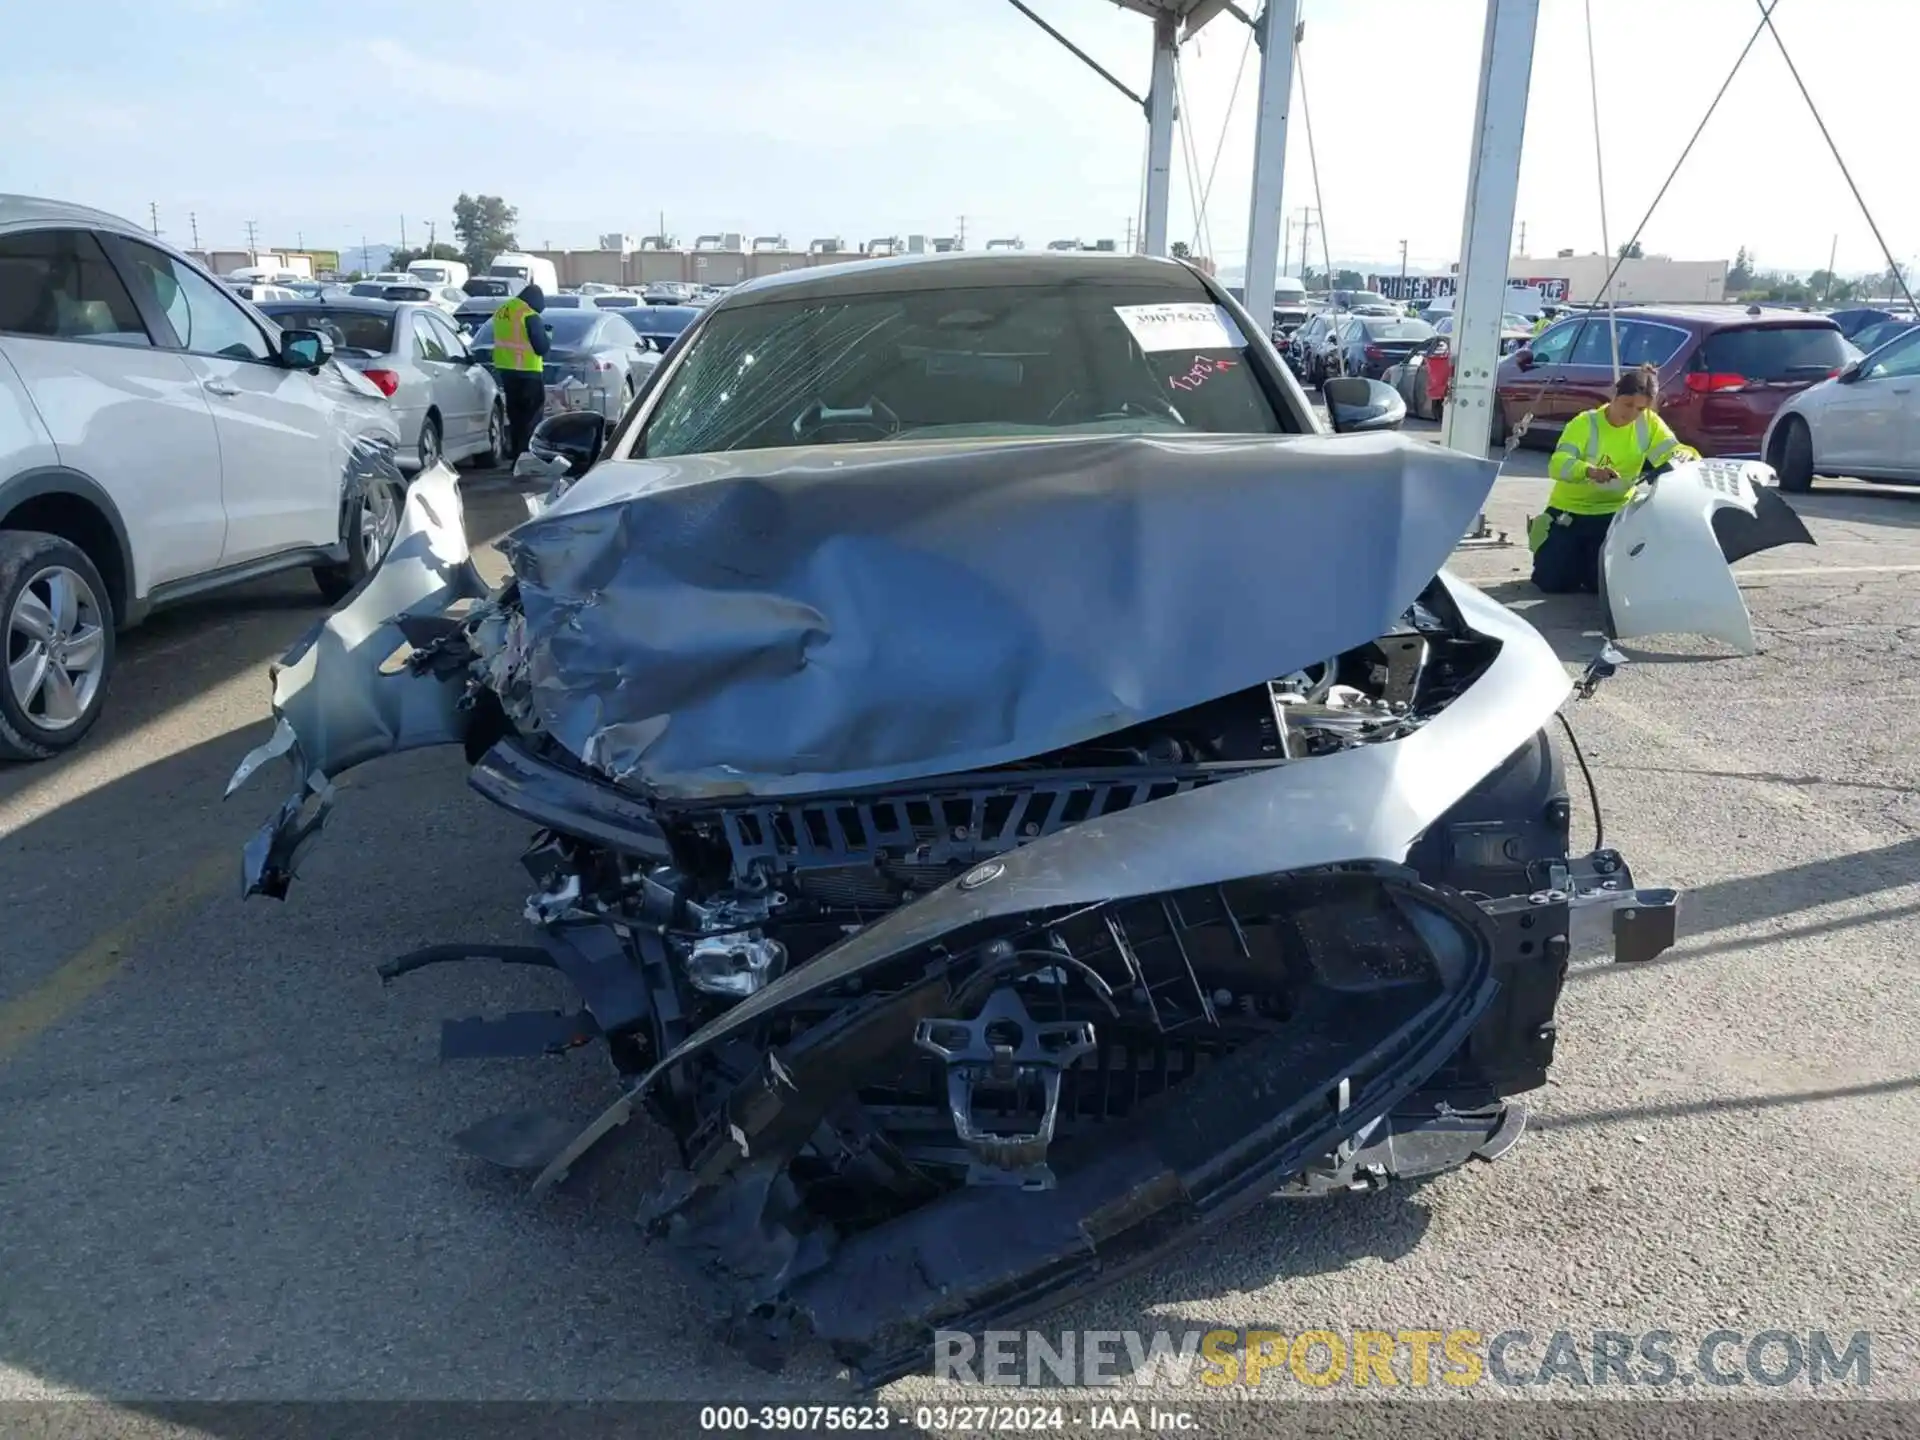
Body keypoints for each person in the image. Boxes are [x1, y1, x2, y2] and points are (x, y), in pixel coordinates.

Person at [1530, 363, 1699, 594]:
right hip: (1569, 513)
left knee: (1598, 586)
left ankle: (1588, 561)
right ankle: (1544, 534)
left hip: (1614, 515)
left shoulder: (1648, 423)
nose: (1632, 414)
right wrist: (1589, 471)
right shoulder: (1584, 423)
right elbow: (1557, 465)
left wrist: (1684, 455)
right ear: (1614, 395)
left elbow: (1675, 451)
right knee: (1552, 583)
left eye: (1640, 409)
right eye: (1628, 404)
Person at [490, 282, 551, 459]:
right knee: (531, 419)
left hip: (506, 371)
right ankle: (527, 456)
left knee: (515, 417)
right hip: (528, 371)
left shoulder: (502, 310)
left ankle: (516, 454)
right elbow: (541, 348)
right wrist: (548, 337)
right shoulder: (529, 315)